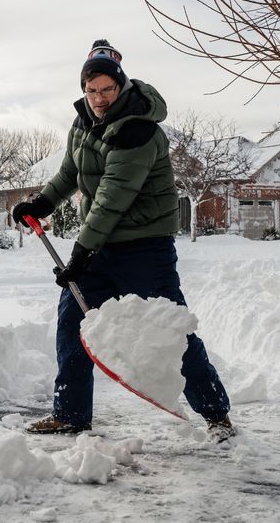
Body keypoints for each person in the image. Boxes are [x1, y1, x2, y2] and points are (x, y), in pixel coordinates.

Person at [12, 39, 236, 442]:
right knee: (72, 324)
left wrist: (81, 251)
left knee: (169, 332)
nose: (98, 98)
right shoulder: (83, 123)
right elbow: (70, 173)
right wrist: (41, 203)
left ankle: (216, 414)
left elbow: (114, 195)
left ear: (122, 87)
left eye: (106, 89)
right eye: (91, 90)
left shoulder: (138, 129)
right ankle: (70, 413)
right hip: (99, 246)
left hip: (143, 249)